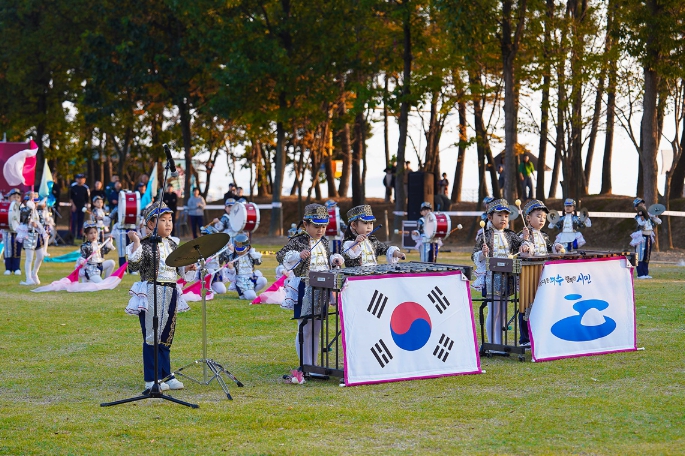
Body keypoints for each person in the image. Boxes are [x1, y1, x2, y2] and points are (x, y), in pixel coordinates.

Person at [124, 202, 192, 393]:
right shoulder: (146, 244)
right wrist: (136, 242)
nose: (168, 224)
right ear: (151, 224)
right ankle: (151, 378)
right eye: (163, 220)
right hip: (153, 291)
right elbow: (133, 265)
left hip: (171, 290)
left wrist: (188, 267)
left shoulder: (173, 244)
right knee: (152, 335)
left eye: (170, 220)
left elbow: (179, 270)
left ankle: (166, 373)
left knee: (166, 335)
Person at [276, 204, 343, 380]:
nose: (320, 230)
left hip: (322, 287)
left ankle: (314, 365)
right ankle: (305, 365)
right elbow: (280, 255)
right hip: (305, 287)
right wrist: (298, 255)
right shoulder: (298, 240)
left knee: (317, 328)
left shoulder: (324, 241)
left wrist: (334, 260)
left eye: (323, 226)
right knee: (305, 328)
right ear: (306, 224)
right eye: (316, 226)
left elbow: (326, 259)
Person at [472, 198, 523, 346]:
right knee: (494, 311)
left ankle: (500, 343)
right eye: (499, 215)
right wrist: (482, 253)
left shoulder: (510, 235)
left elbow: (523, 244)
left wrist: (526, 244)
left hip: (508, 277)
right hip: (492, 278)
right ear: (490, 217)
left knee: (503, 312)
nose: (503, 219)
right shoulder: (485, 235)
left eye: (506, 216)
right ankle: (492, 343)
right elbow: (474, 255)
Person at [517, 199, 564, 346]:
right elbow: (519, 249)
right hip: (528, 274)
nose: (542, 219)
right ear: (528, 218)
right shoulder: (523, 234)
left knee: (542, 305)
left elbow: (550, 248)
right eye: (538, 216)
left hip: (543, 274)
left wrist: (556, 247)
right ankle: (525, 338)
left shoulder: (544, 235)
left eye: (544, 217)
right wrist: (524, 243)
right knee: (526, 305)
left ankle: (540, 336)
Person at [225, 234, 267, 300]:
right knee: (251, 297)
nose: (239, 252)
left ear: (247, 247)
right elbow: (231, 273)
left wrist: (253, 253)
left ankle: (250, 292)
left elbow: (258, 262)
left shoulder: (250, 255)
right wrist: (231, 268)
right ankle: (244, 293)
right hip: (241, 279)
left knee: (263, 280)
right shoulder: (232, 257)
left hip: (251, 277)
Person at [18, 193, 46, 285]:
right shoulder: (24, 210)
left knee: (40, 256)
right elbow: (22, 220)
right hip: (28, 235)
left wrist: (37, 225)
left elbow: (42, 223)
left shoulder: (38, 212)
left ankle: (34, 273)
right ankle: (28, 278)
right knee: (29, 258)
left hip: (37, 236)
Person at [630, 198, 662, 279]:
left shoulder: (649, 216)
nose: (643, 206)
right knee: (640, 256)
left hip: (649, 236)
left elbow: (658, 221)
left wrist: (655, 215)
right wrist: (643, 215)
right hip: (641, 238)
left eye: (643, 205)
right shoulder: (638, 217)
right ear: (636, 208)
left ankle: (645, 273)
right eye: (640, 205)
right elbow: (642, 223)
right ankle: (640, 274)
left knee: (646, 256)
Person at [3, 189, 23, 275]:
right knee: (8, 249)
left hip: (18, 231)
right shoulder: (6, 207)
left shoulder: (22, 207)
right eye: (14, 197)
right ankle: (8, 268)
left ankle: (16, 268)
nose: (16, 199)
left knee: (17, 249)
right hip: (7, 230)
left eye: (18, 197)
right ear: (9, 198)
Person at [70, 173, 90, 241]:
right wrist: (73, 205)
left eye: (82, 179)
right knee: (74, 220)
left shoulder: (85, 188)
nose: (80, 180)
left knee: (80, 221)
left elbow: (87, 199)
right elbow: (70, 198)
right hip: (74, 206)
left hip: (82, 207)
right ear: (76, 179)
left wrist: (87, 207)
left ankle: (79, 234)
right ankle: (72, 234)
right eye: (79, 179)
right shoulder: (73, 187)